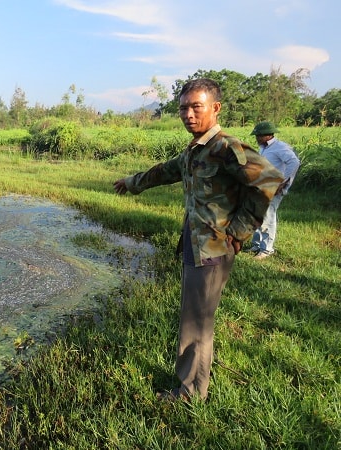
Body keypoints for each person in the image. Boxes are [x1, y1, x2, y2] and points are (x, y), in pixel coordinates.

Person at [113, 78, 283, 402]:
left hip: (213, 249)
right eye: (183, 108)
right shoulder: (195, 150)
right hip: (196, 244)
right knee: (200, 316)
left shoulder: (225, 147)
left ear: (215, 108)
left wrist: (240, 230)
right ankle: (199, 373)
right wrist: (132, 183)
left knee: (195, 322)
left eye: (196, 107)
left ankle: (190, 392)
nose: (188, 114)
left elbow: (269, 179)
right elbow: (163, 171)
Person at [249, 121, 301, 259]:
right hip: (263, 186)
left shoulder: (280, 147)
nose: (256, 138)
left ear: (267, 135)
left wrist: (282, 182)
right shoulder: (264, 148)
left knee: (268, 216)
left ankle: (266, 249)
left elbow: (294, 162)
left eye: (258, 136)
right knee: (259, 215)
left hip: (274, 188)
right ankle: (257, 244)